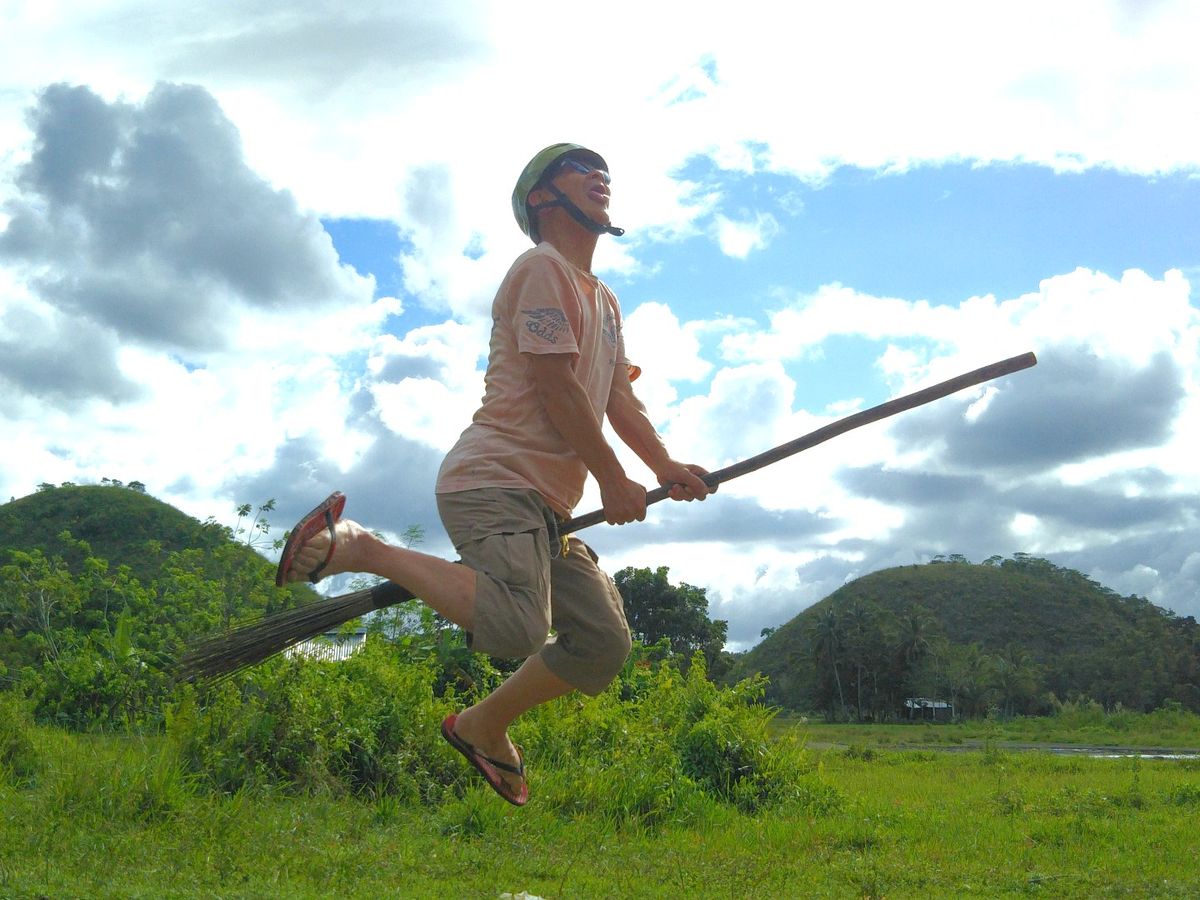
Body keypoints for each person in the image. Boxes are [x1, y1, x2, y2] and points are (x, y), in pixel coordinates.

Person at [278, 143, 713, 805]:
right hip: (497, 480)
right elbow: (555, 384)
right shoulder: (541, 269)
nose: (599, 177)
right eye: (579, 169)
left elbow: (618, 399)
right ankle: (362, 548)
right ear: (542, 197)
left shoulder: (606, 300)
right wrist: (612, 479)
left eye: (603, 171)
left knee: (601, 643)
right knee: (517, 628)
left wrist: (665, 467)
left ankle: (481, 726)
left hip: (547, 509)